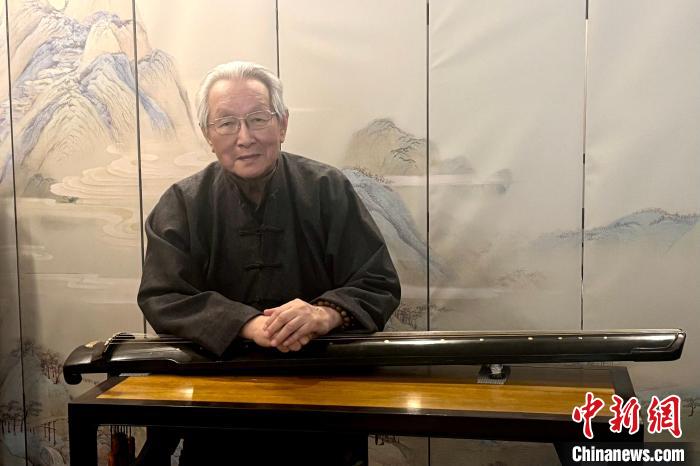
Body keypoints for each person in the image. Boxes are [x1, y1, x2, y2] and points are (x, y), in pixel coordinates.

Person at [137, 61, 401, 465]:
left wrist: (324, 314)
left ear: (283, 124)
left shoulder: (326, 189)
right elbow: (163, 295)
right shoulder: (182, 204)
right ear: (208, 135)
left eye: (258, 119)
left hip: (324, 408)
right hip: (216, 413)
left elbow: (377, 281)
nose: (244, 137)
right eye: (227, 123)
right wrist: (247, 324)